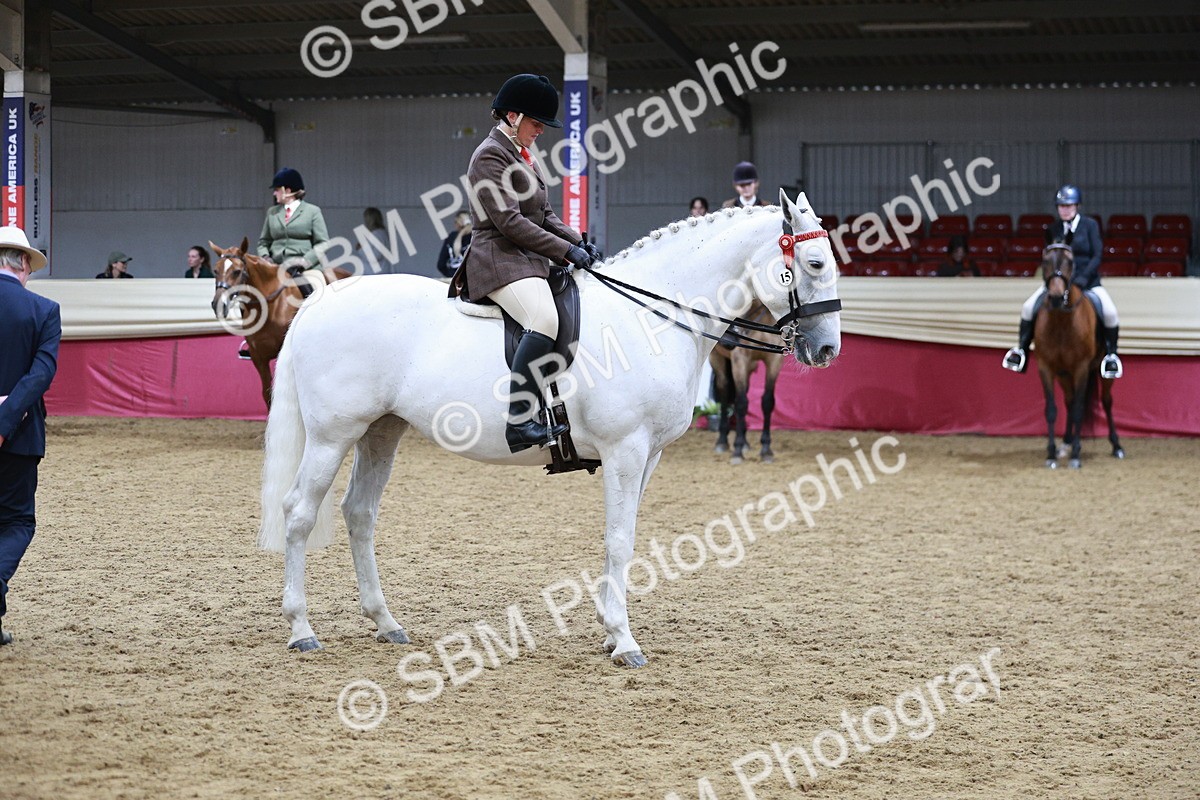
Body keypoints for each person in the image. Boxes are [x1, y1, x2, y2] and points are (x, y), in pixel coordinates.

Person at [460, 73, 596, 452]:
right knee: (544, 319)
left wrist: (578, 240)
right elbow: (510, 222)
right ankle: (519, 421)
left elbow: (545, 213)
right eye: (537, 123)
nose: (541, 131)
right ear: (514, 116)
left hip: (524, 255)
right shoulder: (489, 155)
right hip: (497, 256)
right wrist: (565, 252)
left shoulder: (522, 156)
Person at [0, 225, 60, 646]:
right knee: (18, 520)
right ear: (23, 262)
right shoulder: (44, 310)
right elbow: (40, 374)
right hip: (19, 435)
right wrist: (4, 422)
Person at [1003, 184, 1122, 378]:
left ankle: (1111, 356)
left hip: (1088, 282)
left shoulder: (1090, 226)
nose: (1064, 210)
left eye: (1068, 206)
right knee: (1027, 307)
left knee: (1110, 312)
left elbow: (1097, 255)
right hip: (1057, 283)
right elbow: (1049, 258)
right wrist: (1050, 280)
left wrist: (1083, 279)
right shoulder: (1053, 229)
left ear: (1077, 206)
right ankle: (1021, 351)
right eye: (1061, 206)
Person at [256, 167, 330, 299]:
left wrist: (305, 261)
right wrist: (266, 257)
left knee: (318, 292)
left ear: (288, 191)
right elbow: (263, 242)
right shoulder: (272, 212)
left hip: (305, 269)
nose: (274, 193)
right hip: (276, 266)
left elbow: (323, 243)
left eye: (277, 190)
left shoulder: (312, 211)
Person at [436, 211, 473, 279]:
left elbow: (441, 265)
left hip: (455, 278)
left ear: (456, 224)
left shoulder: (452, 237)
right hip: (472, 278)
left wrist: (451, 275)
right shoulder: (476, 236)